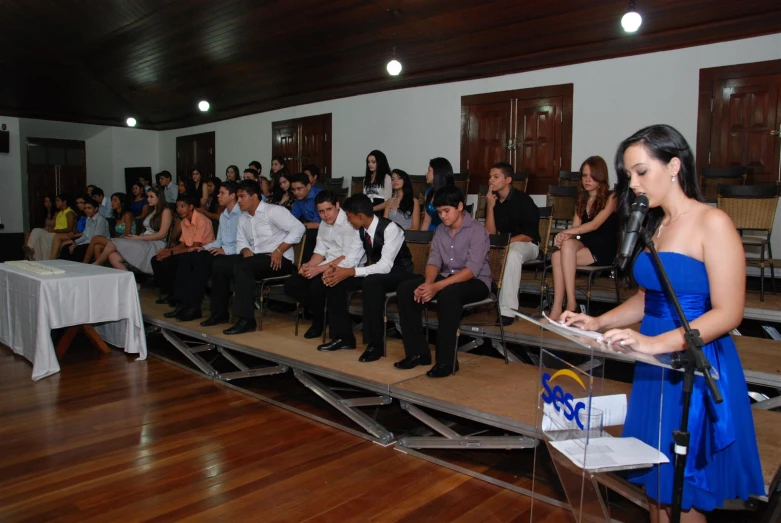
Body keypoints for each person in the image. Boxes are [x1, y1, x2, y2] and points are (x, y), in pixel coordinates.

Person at [560, 124, 763, 522]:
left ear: (673, 166)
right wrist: (597, 321)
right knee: (657, 493)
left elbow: (728, 312)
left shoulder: (712, 222)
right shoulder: (657, 225)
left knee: (681, 493)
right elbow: (647, 298)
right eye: (627, 175)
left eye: (640, 172)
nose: (632, 183)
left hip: (691, 362)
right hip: (654, 366)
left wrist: (654, 344)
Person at [395, 186, 491, 377]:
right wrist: (428, 283)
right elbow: (434, 261)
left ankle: (447, 362)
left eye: (447, 211)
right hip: (447, 278)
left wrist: (436, 286)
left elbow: (472, 270)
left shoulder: (477, 231)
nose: (443, 216)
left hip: (476, 281)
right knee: (406, 289)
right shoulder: (440, 230)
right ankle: (418, 353)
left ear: (460, 206)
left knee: (449, 295)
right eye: (439, 212)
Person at [317, 194, 414, 363]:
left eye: (349, 217)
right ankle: (343, 337)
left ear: (360, 216)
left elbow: (385, 266)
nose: (348, 221)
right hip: (375, 272)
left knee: (371, 283)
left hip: (400, 272)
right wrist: (336, 270)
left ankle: (374, 344)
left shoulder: (391, 229)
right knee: (337, 282)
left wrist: (351, 272)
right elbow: (353, 258)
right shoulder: (360, 230)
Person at [206, 180, 305, 334]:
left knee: (243, 267)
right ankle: (219, 313)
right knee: (220, 264)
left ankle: (246, 320)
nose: (239, 201)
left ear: (254, 197)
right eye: (237, 197)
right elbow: (241, 240)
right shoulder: (244, 217)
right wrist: (244, 248)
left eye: (242, 197)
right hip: (256, 259)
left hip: (279, 261)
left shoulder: (273, 211)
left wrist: (279, 250)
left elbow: (299, 228)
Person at [284, 191, 366, 339]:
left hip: (347, 269)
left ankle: (318, 322)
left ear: (337, 206)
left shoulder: (349, 222)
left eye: (329, 210)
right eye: (321, 212)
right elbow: (320, 252)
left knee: (317, 284)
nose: (326, 215)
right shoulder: (323, 224)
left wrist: (318, 269)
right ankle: (322, 314)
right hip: (326, 265)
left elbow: (347, 257)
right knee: (293, 282)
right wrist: (308, 265)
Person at [548, 156, 619, 320]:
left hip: (603, 249)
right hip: (585, 246)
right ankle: (559, 307)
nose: (587, 180)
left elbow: (594, 225)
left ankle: (570, 303)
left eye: (592, 176)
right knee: (559, 252)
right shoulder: (582, 199)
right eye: (584, 176)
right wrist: (564, 235)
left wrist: (567, 233)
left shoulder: (612, 197)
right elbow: (575, 228)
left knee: (559, 256)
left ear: (601, 176)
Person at [165, 181, 242, 322]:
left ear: (232, 196)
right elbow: (219, 240)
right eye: (218, 192)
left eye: (222, 193)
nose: (218, 196)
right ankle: (183, 303)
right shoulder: (225, 214)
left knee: (201, 261)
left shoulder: (242, 213)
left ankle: (194, 307)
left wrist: (225, 250)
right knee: (188, 257)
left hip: (233, 253)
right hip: (220, 249)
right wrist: (203, 247)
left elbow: (245, 242)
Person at [484, 162, 540, 324]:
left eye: (496, 177)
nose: (491, 181)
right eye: (490, 177)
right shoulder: (493, 201)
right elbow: (490, 234)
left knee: (512, 252)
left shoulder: (524, 200)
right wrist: (489, 207)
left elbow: (529, 235)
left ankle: (507, 311)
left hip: (528, 245)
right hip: (505, 245)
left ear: (508, 180)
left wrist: (505, 244)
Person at [92, 187, 174, 274]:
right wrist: (138, 237)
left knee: (112, 243)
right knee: (113, 257)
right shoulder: (152, 210)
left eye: (151, 197)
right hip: (145, 240)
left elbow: (162, 234)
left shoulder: (166, 211)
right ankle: (133, 284)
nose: (148, 199)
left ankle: (97, 264)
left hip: (155, 244)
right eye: (147, 196)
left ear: (159, 197)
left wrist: (140, 238)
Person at [152, 194, 215, 305]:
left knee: (174, 260)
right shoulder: (184, 221)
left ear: (191, 207)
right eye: (177, 207)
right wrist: (167, 251)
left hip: (203, 251)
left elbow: (195, 246)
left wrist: (171, 253)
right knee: (156, 259)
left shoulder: (201, 220)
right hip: (190, 250)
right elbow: (182, 244)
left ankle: (178, 297)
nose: (179, 210)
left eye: (182, 206)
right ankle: (167, 292)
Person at [25, 193, 76, 261]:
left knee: (38, 232)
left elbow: (70, 229)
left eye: (58, 201)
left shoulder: (69, 213)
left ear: (64, 202)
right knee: (36, 230)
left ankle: (35, 255)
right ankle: (30, 250)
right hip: (55, 232)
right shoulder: (60, 213)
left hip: (61, 234)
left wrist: (56, 230)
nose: (56, 202)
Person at [420, 157, 454, 231]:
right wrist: (421, 239)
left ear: (438, 173)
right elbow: (426, 220)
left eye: (429, 170)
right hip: (430, 232)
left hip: (445, 232)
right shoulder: (429, 192)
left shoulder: (450, 194)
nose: (426, 174)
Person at [362, 150, 392, 216]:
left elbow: (388, 202)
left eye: (373, 162)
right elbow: (364, 198)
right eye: (368, 162)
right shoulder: (366, 179)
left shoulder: (386, 178)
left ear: (380, 162)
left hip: (381, 212)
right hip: (367, 211)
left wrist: (372, 209)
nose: (370, 164)